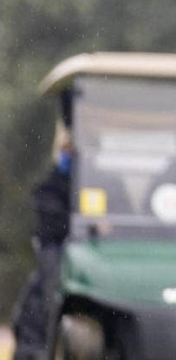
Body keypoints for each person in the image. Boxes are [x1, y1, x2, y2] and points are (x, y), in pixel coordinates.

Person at [11, 124, 74, 360]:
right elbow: (52, 224)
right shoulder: (50, 185)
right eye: (67, 149)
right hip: (57, 249)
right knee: (47, 295)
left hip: (94, 253)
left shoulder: (106, 183)